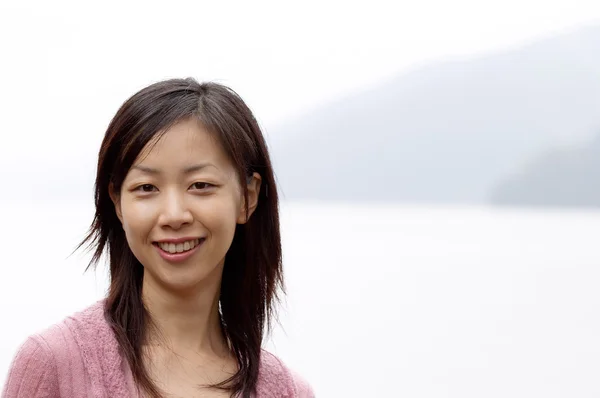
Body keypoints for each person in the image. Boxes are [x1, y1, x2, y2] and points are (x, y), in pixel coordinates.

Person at [2, 78, 314, 398]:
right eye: (146, 188)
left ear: (248, 197)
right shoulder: (54, 364)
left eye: (200, 185)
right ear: (117, 202)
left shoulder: (286, 391)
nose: (174, 215)